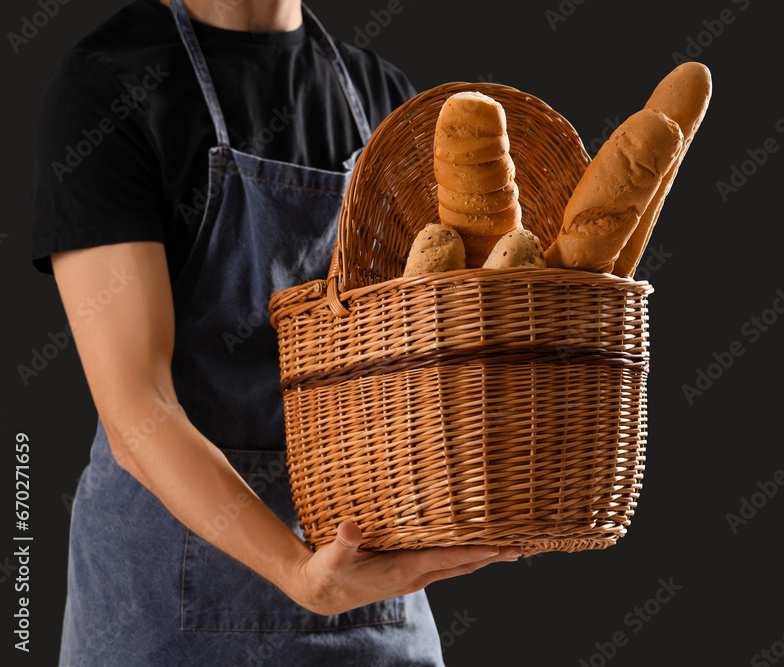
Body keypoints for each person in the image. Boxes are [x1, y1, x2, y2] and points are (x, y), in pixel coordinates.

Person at [31, 0, 521, 664]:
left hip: (368, 603)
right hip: (168, 621)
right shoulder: (109, 88)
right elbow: (137, 410)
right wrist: (297, 571)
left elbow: (423, 368)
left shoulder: (386, 102)